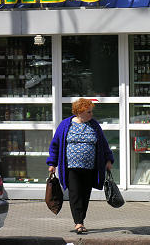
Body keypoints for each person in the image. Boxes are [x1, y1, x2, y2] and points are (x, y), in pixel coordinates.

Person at [46, 98, 114, 234]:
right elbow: (55, 145)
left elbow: (103, 144)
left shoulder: (94, 125)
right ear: (79, 112)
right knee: (75, 194)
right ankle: (79, 223)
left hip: (90, 168)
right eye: (88, 112)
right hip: (71, 168)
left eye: (91, 112)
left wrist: (108, 159)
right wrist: (52, 163)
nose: (91, 114)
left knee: (85, 195)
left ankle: (81, 219)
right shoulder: (66, 125)